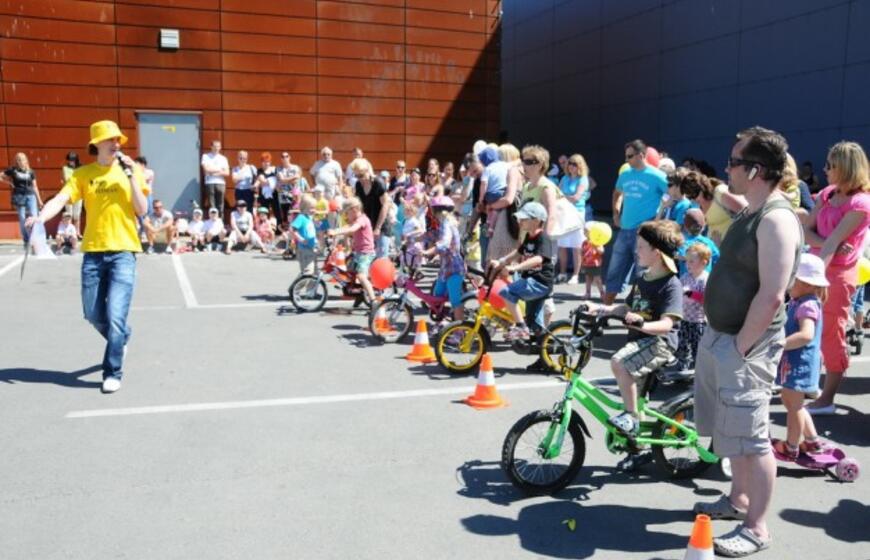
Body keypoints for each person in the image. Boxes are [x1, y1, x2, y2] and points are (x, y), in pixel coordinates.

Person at [693, 126, 802, 558]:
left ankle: (756, 527)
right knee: (730, 431)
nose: (727, 169)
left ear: (754, 169)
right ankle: (737, 500)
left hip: (745, 346)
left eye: (734, 162)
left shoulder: (775, 218)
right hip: (725, 337)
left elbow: (773, 293)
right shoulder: (751, 211)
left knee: (752, 437)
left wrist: (740, 347)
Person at [26, 120, 149, 393]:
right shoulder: (82, 174)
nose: (116, 143)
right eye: (110, 139)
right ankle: (121, 338)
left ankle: (113, 370)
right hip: (93, 253)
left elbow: (142, 209)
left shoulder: (132, 170)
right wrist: (39, 218)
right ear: (96, 144)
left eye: (118, 139)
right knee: (93, 313)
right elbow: (60, 199)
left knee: (116, 315)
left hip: (124, 252)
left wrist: (130, 175)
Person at [583, 221, 684, 451]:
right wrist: (600, 309)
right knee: (638, 397)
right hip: (640, 341)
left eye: (641, 247)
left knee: (619, 362)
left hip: (660, 344)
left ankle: (630, 417)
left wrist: (642, 323)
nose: (636, 251)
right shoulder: (642, 279)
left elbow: (668, 324)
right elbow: (626, 309)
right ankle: (637, 445)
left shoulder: (671, 285)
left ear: (656, 253)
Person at [802, 141, 870, 414]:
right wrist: (826, 242)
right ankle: (810, 384)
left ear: (845, 168)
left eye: (831, 165)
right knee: (807, 329)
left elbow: (830, 244)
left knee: (831, 334)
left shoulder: (860, 203)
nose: (825, 169)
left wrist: (816, 274)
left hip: (837, 276)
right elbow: (805, 230)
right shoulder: (828, 194)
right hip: (816, 269)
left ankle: (827, 399)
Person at [773, 253, 831, 460]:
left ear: (806, 283)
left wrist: (781, 343)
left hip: (800, 363)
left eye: (792, 279)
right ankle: (812, 440)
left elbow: (806, 335)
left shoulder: (807, 305)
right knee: (791, 402)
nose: (788, 284)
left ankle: (791, 446)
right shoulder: (800, 301)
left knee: (794, 406)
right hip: (794, 362)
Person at [604, 140, 668, 305]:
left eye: (630, 156)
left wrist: (659, 218)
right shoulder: (625, 174)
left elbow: (671, 195)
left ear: (641, 155)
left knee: (643, 274)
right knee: (614, 271)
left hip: (645, 233)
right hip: (625, 230)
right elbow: (617, 193)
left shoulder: (657, 175)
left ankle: (641, 313)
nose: (627, 160)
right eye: (626, 156)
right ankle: (603, 311)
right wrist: (616, 214)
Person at [493, 202, 556, 341]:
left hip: (540, 282)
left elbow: (539, 259)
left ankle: (521, 327)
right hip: (532, 281)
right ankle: (545, 348)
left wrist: (515, 268)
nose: (520, 221)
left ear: (536, 221)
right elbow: (518, 252)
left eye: (524, 219)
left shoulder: (543, 238)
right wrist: (502, 261)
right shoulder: (529, 236)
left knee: (507, 292)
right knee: (534, 323)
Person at [668, 242, 712, 379]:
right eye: (687, 261)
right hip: (684, 319)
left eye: (692, 261)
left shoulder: (705, 279)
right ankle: (682, 367)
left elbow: (707, 300)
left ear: (704, 263)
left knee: (698, 349)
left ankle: (700, 373)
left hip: (699, 322)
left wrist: (692, 294)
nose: (688, 264)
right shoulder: (685, 277)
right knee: (681, 345)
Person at [422, 196, 467, 321]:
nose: (432, 214)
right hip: (445, 267)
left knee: (455, 300)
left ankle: (459, 331)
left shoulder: (447, 223)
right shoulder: (442, 224)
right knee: (438, 294)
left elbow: (444, 242)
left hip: (454, 268)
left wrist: (429, 252)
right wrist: (414, 239)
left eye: (433, 211)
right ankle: (440, 322)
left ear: (438, 211)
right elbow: (434, 235)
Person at [327, 197, 376, 303]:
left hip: (366, 253)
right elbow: (347, 228)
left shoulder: (362, 219)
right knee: (348, 272)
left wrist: (335, 232)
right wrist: (335, 231)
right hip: (358, 252)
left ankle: (373, 300)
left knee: (361, 275)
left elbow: (351, 229)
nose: (346, 216)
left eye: (347, 213)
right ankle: (360, 294)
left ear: (354, 210)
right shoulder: (355, 221)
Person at [680, 171, 747, 246]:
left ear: (702, 188)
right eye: (689, 197)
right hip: (717, 251)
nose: (693, 200)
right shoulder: (698, 205)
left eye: (694, 195)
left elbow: (747, 211)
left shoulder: (720, 192)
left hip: (735, 246)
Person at [557, 153, 590, 284]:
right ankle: (562, 273)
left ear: (580, 166)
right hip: (563, 214)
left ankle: (575, 275)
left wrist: (563, 196)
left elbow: (576, 198)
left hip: (577, 214)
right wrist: (564, 197)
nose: (571, 166)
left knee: (576, 246)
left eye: (574, 164)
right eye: (570, 163)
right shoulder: (564, 178)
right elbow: (556, 193)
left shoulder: (583, 179)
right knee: (562, 245)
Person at [352, 158, 391, 258]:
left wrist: (377, 228)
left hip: (381, 225)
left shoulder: (378, 183)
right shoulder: (358, 185)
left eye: (361, 175)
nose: (359, 179)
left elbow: (385, 205)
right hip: (367, 226)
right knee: (367, 259)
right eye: (356, 176)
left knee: (381, 259)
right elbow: (359, 207)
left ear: (367, 171)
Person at [2, 152, 43, 248]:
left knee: (34, 216)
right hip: (19, 196)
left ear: (26, 160)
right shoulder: (13, 170)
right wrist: (9, 182)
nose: (21, 161)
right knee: (22, 218)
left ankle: (34, 237)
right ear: (16, 161)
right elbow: (1, 176)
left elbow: (35, 186)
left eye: (22, 159)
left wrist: (40, 201)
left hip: (31, 195)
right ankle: (26, 238)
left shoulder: (31, 172)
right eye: (19, 160)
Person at [676, 208, 719, 276]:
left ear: (686, 227)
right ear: (704, 226)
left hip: (686, 283)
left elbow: (678, 255)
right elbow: (717, 260)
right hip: (705, 282)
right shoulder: (709, 243)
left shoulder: (683, 244)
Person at [291, 194, 318, 275]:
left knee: (315, 272)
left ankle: (311, 287)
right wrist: (301, 239)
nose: (313, 210)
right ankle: (297, 286)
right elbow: (292, 229)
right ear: (304, 208)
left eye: (314, 208)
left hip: (312, 247)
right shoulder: (301, 217)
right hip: (304, 249)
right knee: (308, 272)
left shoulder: (309, 217)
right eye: (311, 208)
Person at [201, 140, 229, 217]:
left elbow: (227, 173)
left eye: (218, 146)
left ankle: (220, 223)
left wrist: (212, 172)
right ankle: (212, 222)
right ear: (211, 147)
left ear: (220, 147)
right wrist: (220, 170)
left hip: (221, 183)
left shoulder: (223, 158)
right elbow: (206, 169)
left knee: (220, 205)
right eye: (215, 146)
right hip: (210, 183)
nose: (216, 148)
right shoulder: (206, 156)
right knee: (212, 205)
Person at [401, 197, 426, 270]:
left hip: (413, 243)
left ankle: (413, 274)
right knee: (406, 260)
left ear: (412, 212)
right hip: (407, 243)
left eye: (408, 211)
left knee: (412, 261)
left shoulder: (414, 221)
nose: (405, 212)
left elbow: (420, 230)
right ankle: (406, 276)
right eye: (405, 210)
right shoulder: (406, 220)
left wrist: (409, 234)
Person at [61, 151, 82, 234]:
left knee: (77, 214)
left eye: (72, 160)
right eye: (69, 160)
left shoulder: (80, 168)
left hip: (78, 193)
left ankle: (77, 232)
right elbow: (66, 179)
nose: (70, 162)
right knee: (69, 214)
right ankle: (69, 232)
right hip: (68, 193)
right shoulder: (65, 168)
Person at [580, 228, 604, 300]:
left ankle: (602, 293)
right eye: (585, 232)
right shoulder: (584, 242)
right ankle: (588, 293)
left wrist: (596, 246)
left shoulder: (597, 241)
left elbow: (601, 251)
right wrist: (582, 263)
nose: (585, 233)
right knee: (588, 279)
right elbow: (582, 253)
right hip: (587, 264)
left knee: (597, 279)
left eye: (586, 231)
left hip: (595, 264)